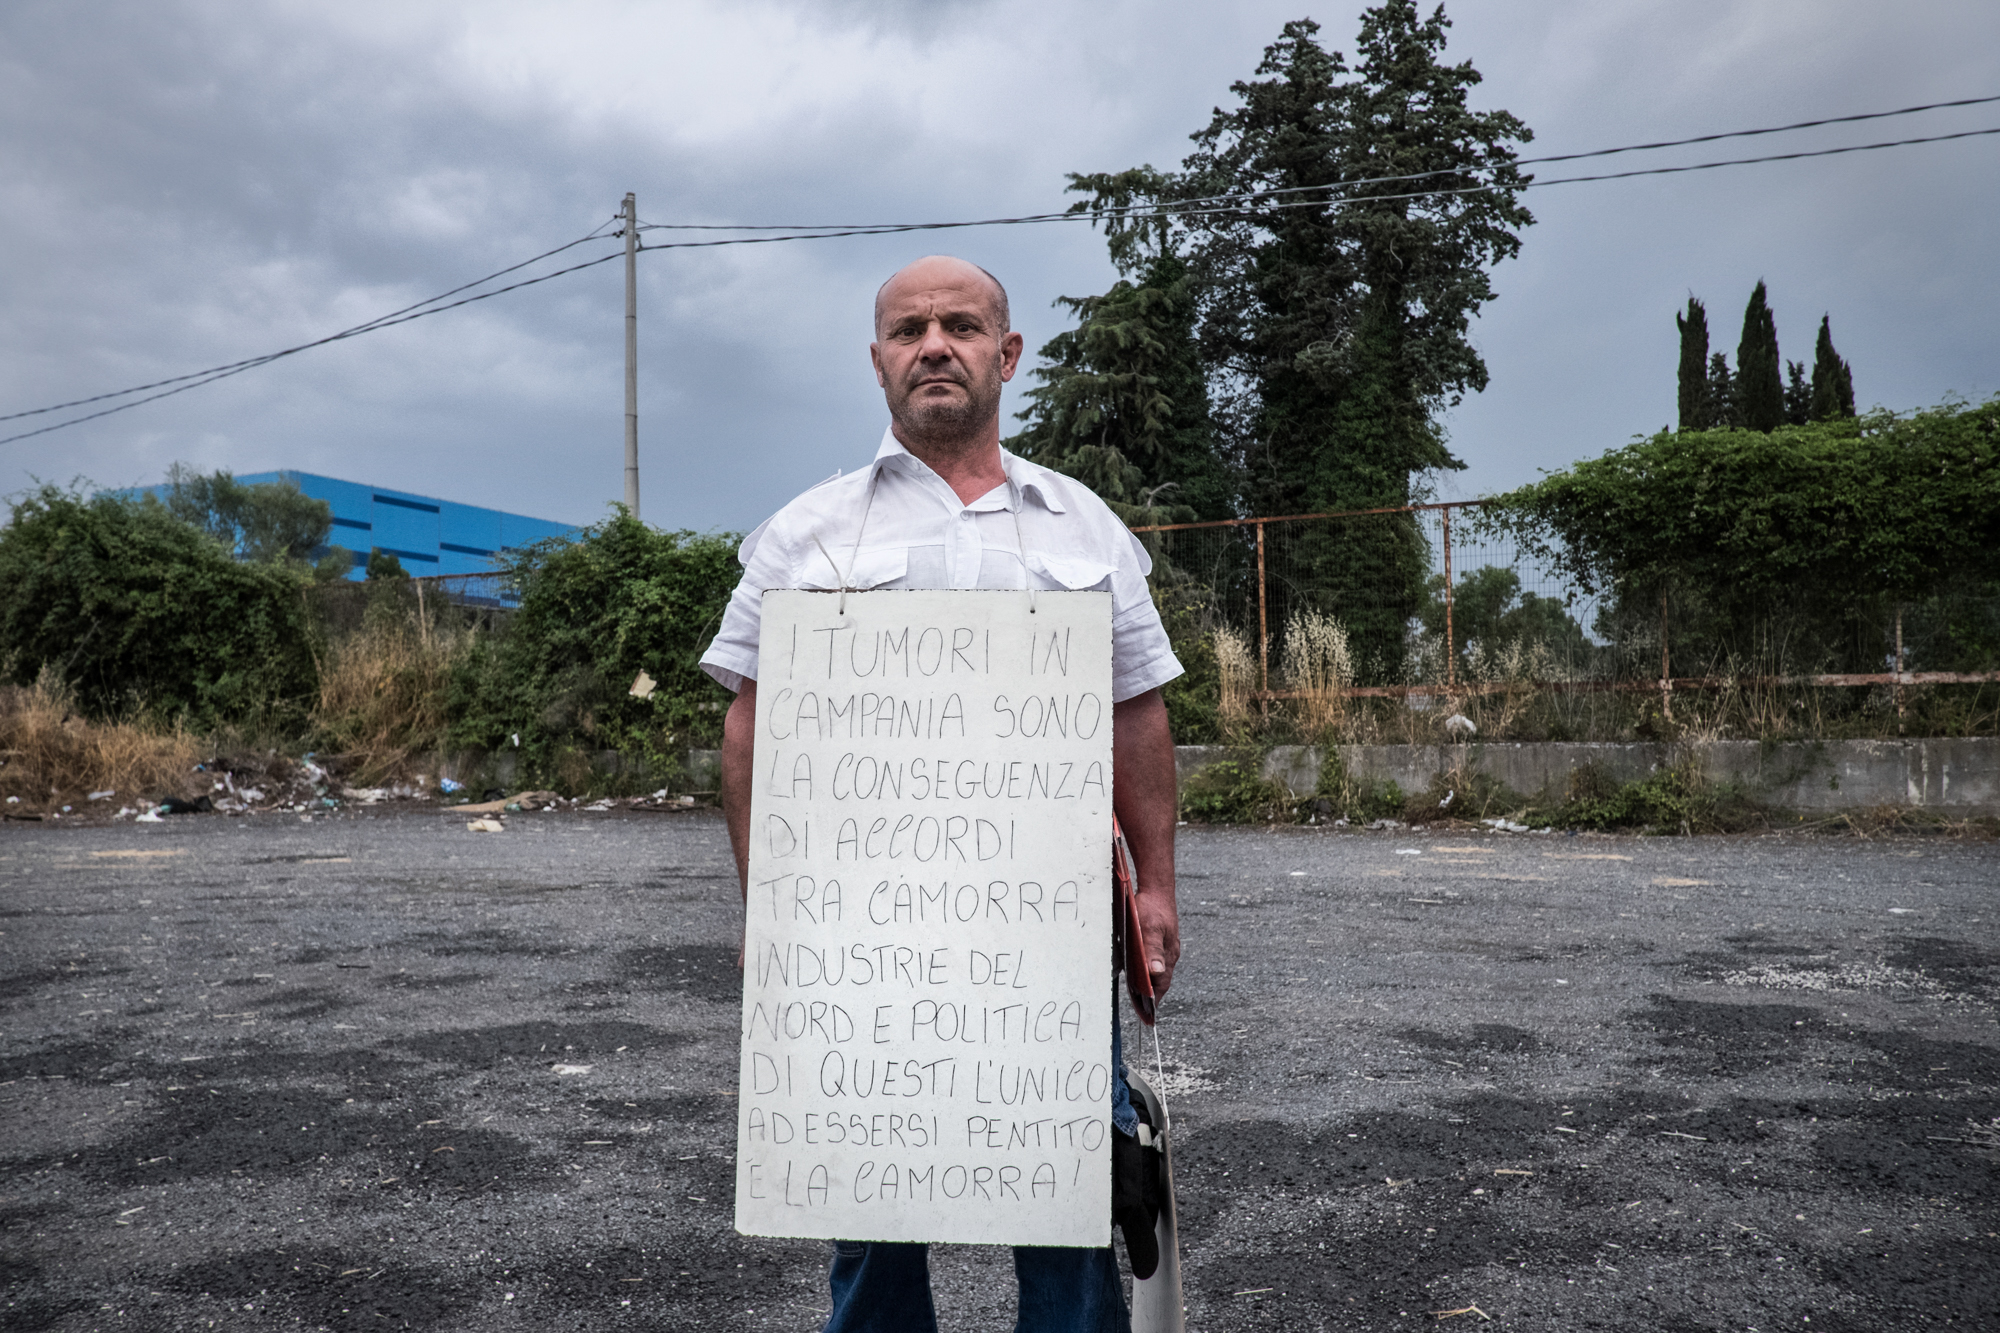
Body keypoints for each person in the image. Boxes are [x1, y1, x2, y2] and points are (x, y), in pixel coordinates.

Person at [700, 254, 1183, 1333]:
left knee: (1065, 1190)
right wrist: (766, 904)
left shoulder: (1081, 526)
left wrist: (1153, 886)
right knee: (869, 1197)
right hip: (861, 937)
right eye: (906, 327)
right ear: (876, 359)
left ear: (1004, 356)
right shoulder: (806, 534)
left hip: (1046, 931)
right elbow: (749, 724)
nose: (932, 344)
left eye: (959, 325)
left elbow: (1134, 712)